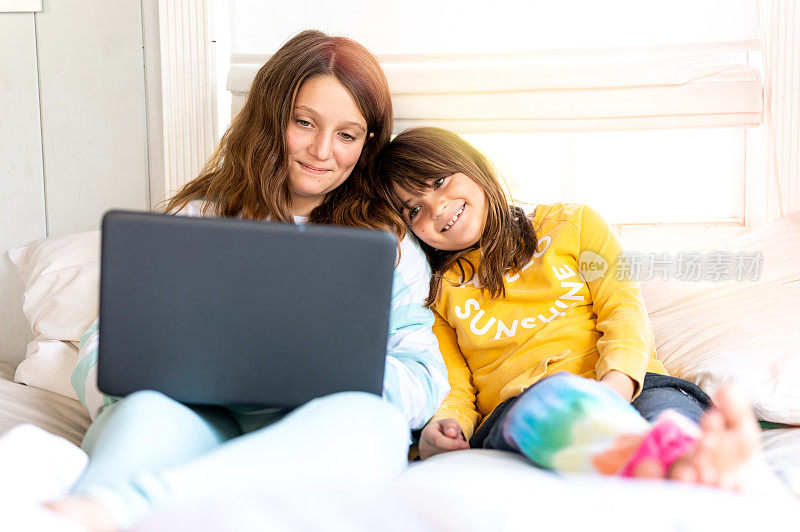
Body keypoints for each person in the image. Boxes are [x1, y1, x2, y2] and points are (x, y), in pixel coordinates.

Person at [40, 32, 449, 532]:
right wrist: (147, 384)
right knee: (144, 413)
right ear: (270, 117)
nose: (323, 151)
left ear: (366, 144)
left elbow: (423, 372)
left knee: (377, 425)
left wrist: (340, 379)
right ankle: (98, 508)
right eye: (304, 123)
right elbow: (105, 344)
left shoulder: (387, 244)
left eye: (347, 135)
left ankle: (136, 505)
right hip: (193, 415)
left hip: (311, 429)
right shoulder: (196, 220)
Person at [374, 126, 780, 490]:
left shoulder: (575, 224)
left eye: (440, 182)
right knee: (552, 404)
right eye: (414, 209)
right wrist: (446, 428)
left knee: (672, 412)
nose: (437, 208)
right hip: (524, 404)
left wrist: (615, 387)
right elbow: (456, 385)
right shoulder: (441, 290)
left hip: (631, 383)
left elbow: (622, 310)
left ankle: (701, 460)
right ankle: (646, 459)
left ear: (474, 166)